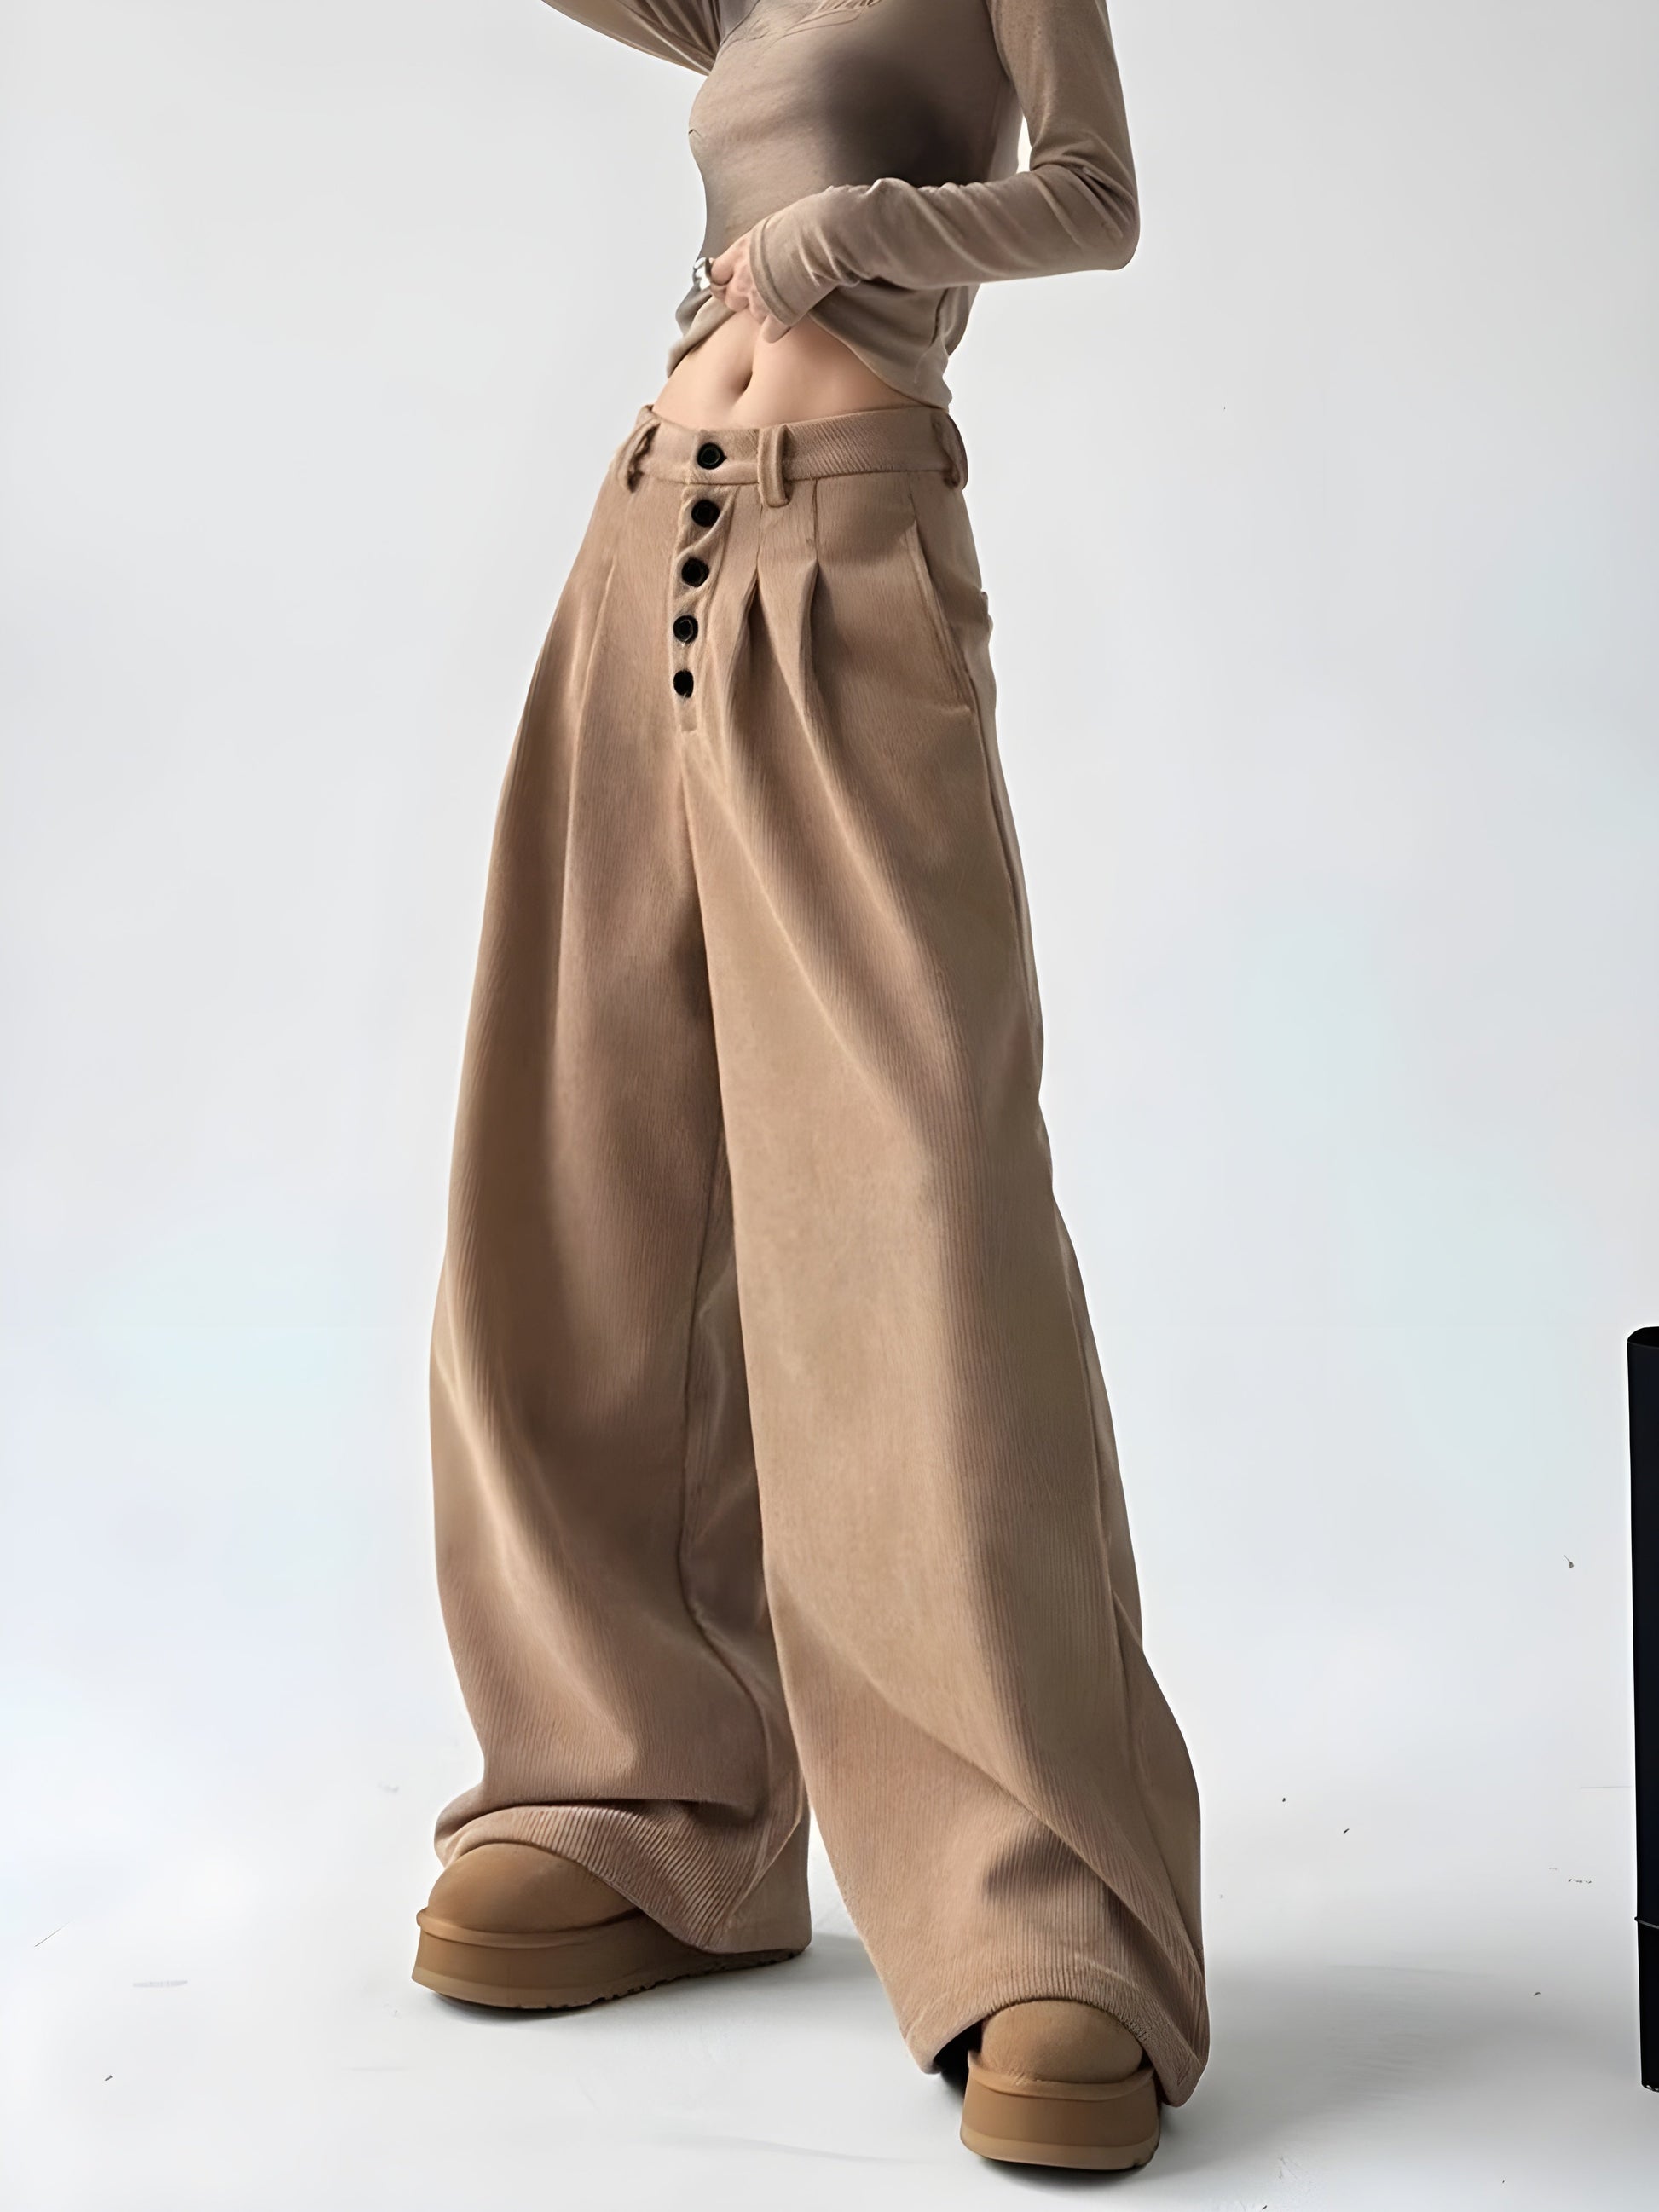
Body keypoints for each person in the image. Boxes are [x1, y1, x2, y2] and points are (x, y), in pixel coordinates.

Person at [411, 0, 1208, 2172]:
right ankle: (639, 1799)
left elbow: (1099, 201)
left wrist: (860, 228)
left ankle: (1043, 1904)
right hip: (644, 531)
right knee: (581, 1169)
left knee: (920, 1200)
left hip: (852, 552)